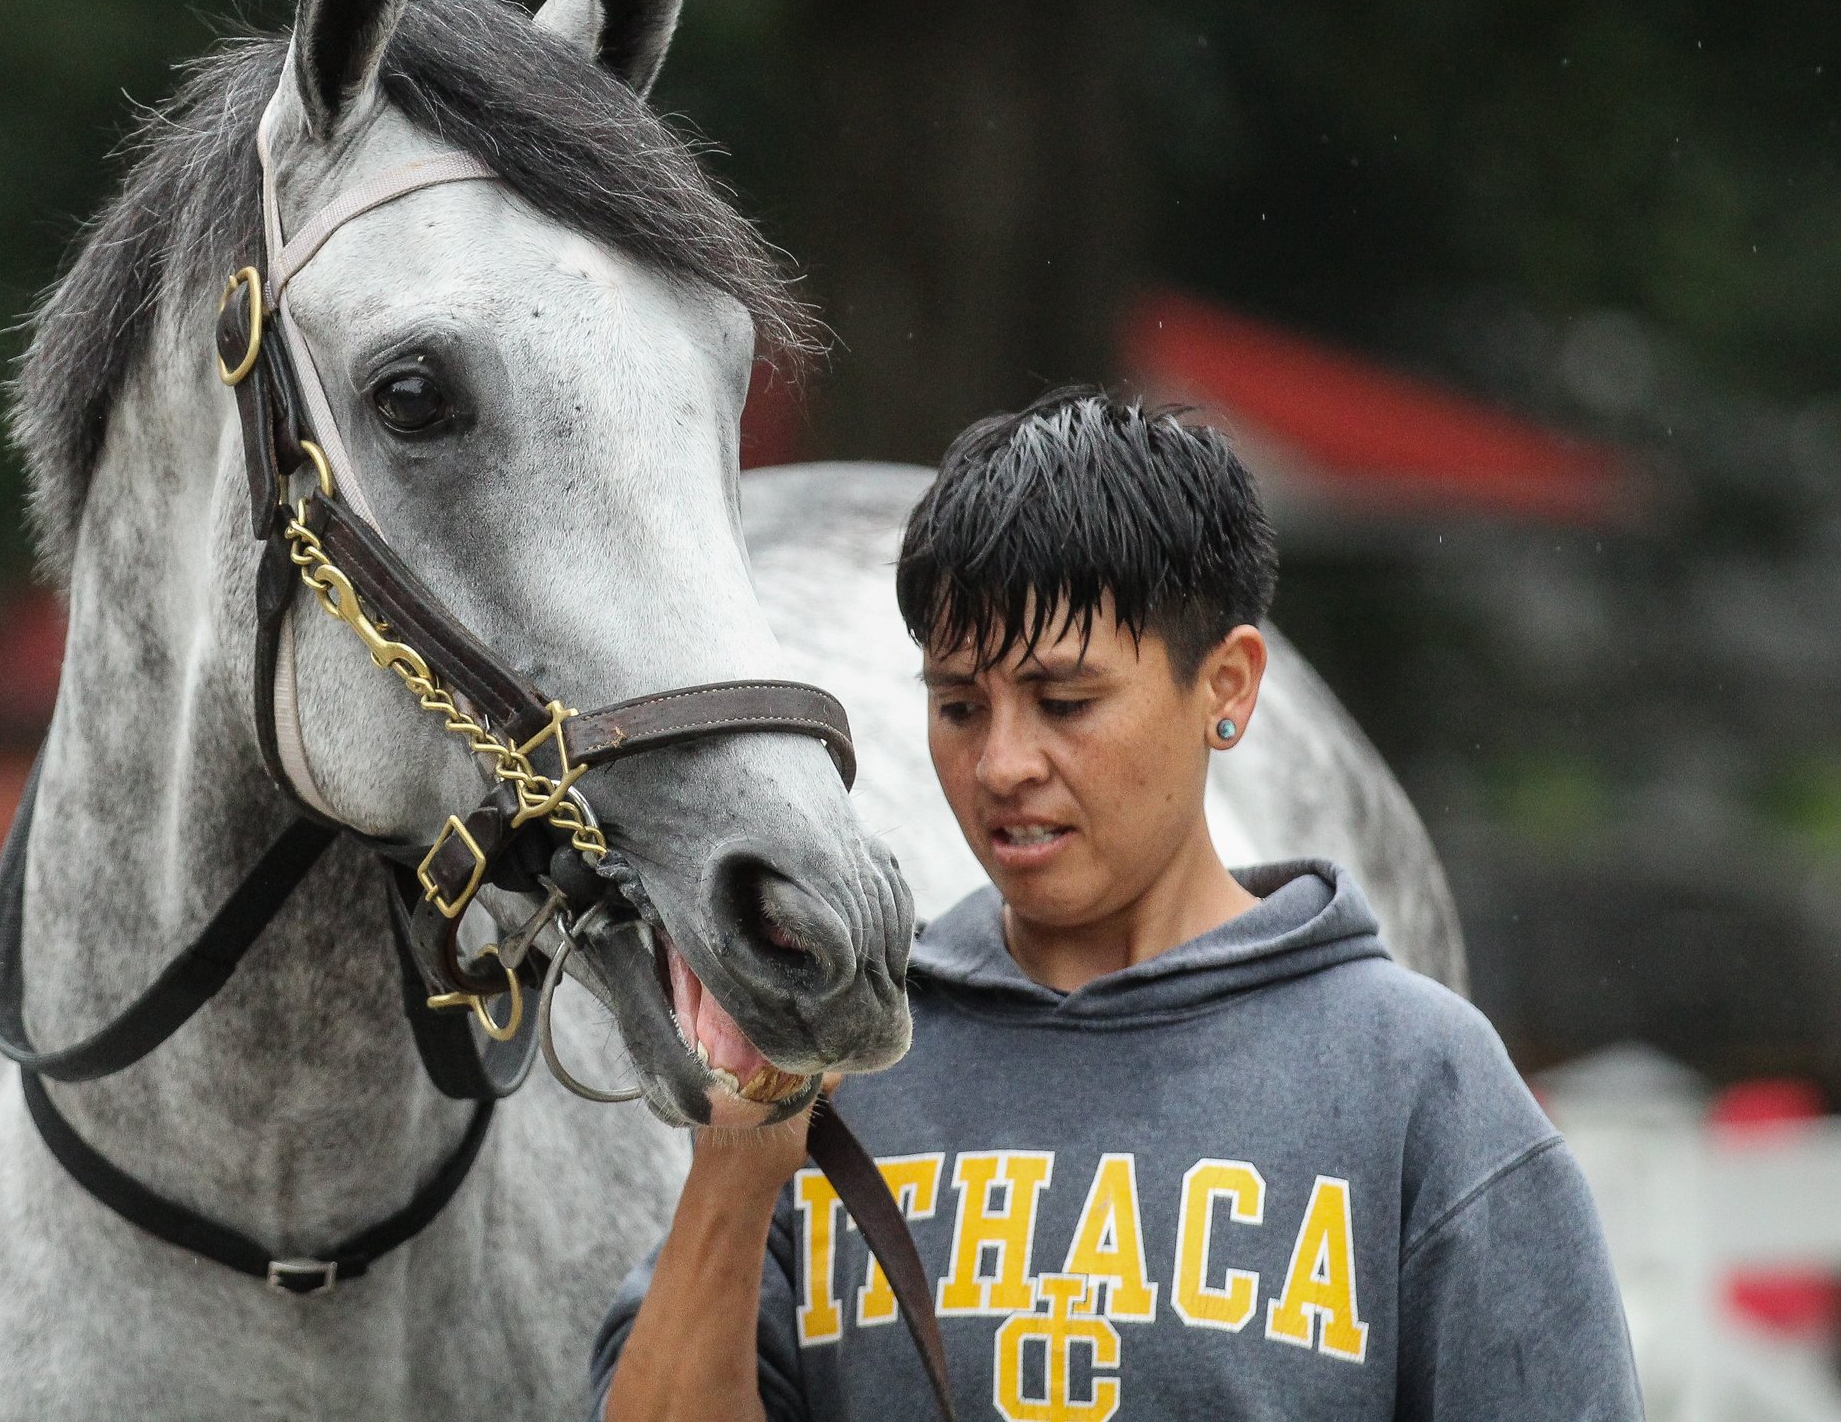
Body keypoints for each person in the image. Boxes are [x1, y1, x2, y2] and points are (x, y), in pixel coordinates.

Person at [592, 389, 1641, 1421]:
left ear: (1227, 687)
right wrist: (742, 1157)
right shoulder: (839, 1061)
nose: (1002, 763)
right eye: (959, 705)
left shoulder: (1417, 1084)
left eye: (1065, 702)